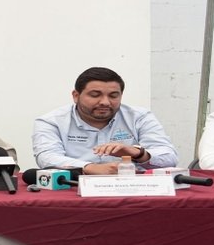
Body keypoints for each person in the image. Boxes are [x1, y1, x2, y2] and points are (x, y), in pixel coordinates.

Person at [32, 67, 178, 174]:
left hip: (133, 187)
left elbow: (169, 157)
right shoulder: (51, 122)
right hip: (73, 187)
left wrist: (138, 153)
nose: (105, 102)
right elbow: (47, 157)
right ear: (76, 96)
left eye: (113, 96)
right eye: (95, 95)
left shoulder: (140, 117)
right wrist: (90, 168)